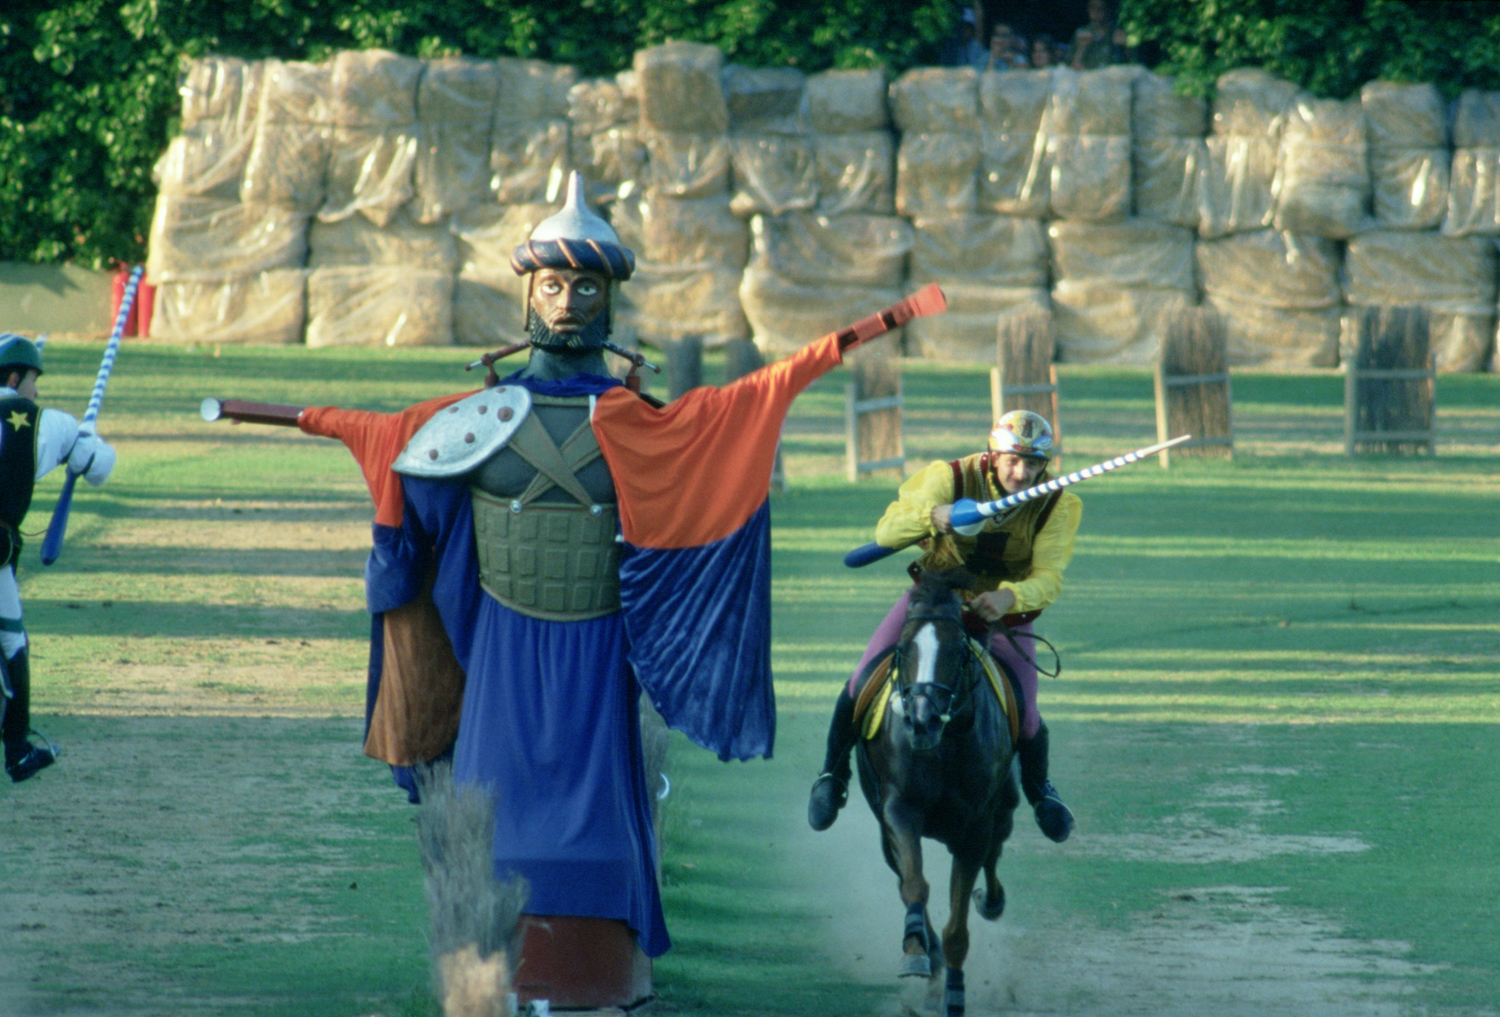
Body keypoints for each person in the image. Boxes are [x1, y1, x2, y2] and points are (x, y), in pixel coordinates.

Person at [292, 173, 910, 966]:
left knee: (602, 832)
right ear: (528, 294)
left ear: (610, 299)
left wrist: (857, 334)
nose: (568, 301)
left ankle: (599, 960)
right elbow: (395, 444)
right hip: (502, 646)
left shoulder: (646, 425)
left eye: (586, 285)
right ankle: (485, 959)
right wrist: (327, 422)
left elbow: (756, 396)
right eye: (553, 284)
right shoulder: (467, 423)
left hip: (598, 645)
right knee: (493, 816)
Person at [807, 409, 1080, 843]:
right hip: (935, 600)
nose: (1021, 473)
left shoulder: (1057, 504)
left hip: (1003, 615)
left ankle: (1041, 792)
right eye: (1012, 460)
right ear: (993, 455)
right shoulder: (947, 478)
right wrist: (934, 517)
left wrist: (1010, 597)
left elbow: (1049, 577)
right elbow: (888, 531)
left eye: (1032, 464)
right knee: (862, 683)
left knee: (1027, 719)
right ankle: (832, 775)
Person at [0, 334, 116, 783]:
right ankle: (17, 752)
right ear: (15, 378)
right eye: (34, 380)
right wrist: (86, 440)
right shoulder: (49, 423)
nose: (36, 391)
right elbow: (99, 468)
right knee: (12, 642)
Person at [1070, 0, 1132, 70]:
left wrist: (1127, 47)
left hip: (1112, 75)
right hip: (1088, 75)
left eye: (1101, 8)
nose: (1096, 12)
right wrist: (1080, 49)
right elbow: (1070, 68)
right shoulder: (1081, 34)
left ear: (1108, 10)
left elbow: (1133, 66)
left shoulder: (1118, 33)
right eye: (1093, 7)